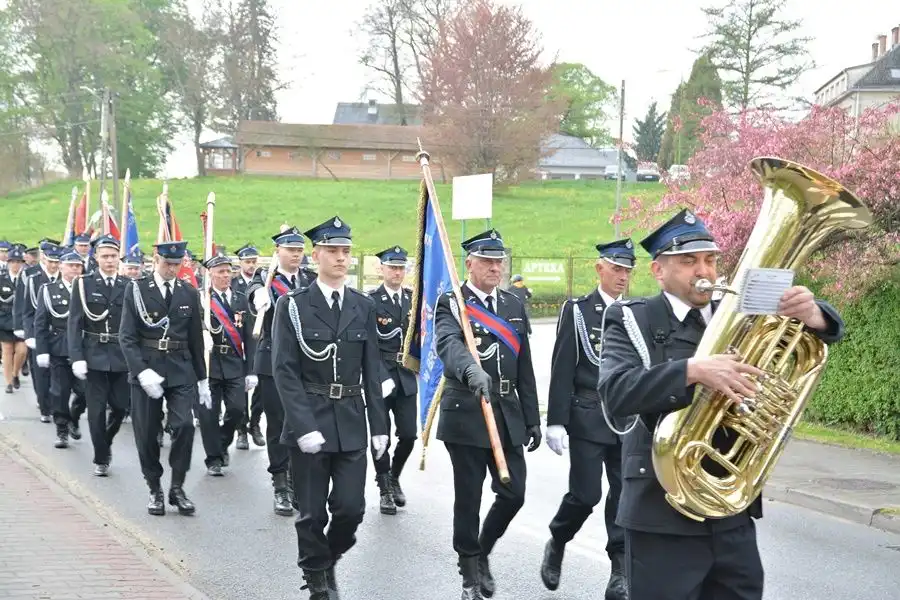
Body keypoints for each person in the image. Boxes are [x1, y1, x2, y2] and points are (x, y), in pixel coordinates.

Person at [597, 208, 846, 600]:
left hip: (730, 506)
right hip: (659, 510)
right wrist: (691, 371)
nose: (705, 271)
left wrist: (814, 315)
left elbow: (826, 335)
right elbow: (615, 393)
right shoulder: (631, 318)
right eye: (689, 261)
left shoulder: (744, 315)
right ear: (659, 271)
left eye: (711, 260)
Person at [271, 215, 388, 600]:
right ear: (315, 255)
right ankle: (317, 579)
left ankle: (326, 559)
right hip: (311, 419)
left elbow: (372, 369)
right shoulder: (292, 306)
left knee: (351, 509)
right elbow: (284, 371)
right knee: (312, 513)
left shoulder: (362, 305)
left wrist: (380, 425)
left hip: (352, 420)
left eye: (346, 252)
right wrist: (303, 426)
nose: (341, 259)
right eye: (333, 251)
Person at [434, 229, 542, 600]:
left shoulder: (513, 304)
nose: (496, 267)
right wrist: (470, 370)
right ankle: (468, 572)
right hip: (466, 413)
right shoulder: (452, 303)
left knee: (514, 494)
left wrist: (532, 418)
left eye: (500, 261)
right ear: (470, 264)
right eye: (488, 261)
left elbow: (524, 365)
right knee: (469, 498)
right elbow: (448, 344)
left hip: (507, 415)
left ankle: (481, 550)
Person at [541, 238, 636, 599]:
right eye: (616, 269)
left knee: (625, 495)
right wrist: (556, 420)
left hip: (627, 419)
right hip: (587, 415)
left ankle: (619, 572)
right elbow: (562, 366)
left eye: (627, 270)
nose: (622, 276)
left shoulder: (637, 311)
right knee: (586, 495)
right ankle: (559, 538)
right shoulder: (578, 311)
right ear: (600, 269)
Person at [119, 240, 209, 516]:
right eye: (167, 263)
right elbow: (127, 336)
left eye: (177, 263)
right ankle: (154, 487)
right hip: (147, 366)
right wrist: (141, 370)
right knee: (147, 433)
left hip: (180, 369)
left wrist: (203, 379)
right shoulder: (136, 290)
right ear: (156, 259)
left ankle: (177, 486)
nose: (172, 269)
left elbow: (195, 339)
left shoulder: (189, 292)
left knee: (184, 426)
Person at [248, 227, 317, 516]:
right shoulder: (264, 279)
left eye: (299, 250)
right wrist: (258, 298)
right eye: (290, 250)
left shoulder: (310, 279)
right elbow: (252, 292)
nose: (296, 255)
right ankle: (280, 484)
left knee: (300, 421)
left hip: (305, 363)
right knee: (277, 424)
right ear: (278, 252)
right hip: (272, 360)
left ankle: (296, 479)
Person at [68, 235, 130, 476]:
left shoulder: (129, 285)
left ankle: (106, 441)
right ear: (95, 258)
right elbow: (75, 322)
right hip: (94, 355)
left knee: (119, 407)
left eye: (113, 256)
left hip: (122, 356)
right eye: (105, 256)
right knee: (95, 410)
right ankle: (101, 457)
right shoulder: (83, 284)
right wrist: (77, 357)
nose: (110, 260)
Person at [196, 250, 256, 476]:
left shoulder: (241, 298)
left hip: (234, 363)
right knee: (208, 414)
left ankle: (222, 442)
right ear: (210, 274)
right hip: (209, 364)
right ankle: (213, 458)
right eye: (220, 272)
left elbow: (250, 336)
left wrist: (251, 370)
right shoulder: (201, 299)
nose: (225, 276)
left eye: (228, 272)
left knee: (237, 410)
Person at [368, 245, 417, 515]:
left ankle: (394, 475)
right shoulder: (371, 300)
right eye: (392, 267)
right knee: (381, 436)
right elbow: (368, 345)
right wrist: (379, 375)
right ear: (382, 270)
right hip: (381, 375)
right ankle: (384, 488)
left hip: (406, 375)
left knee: (409, 435)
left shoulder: (413, 300)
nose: (397, 272)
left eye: (401, 268)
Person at [34, 248, 86, 449]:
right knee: (60, 392)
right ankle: (62, 429)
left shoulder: (87, 288)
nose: (75, 269)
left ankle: (74, 415)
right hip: (59, 346)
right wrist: (42, 350)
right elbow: (41, 322)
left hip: (83, 348)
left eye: (78, 265)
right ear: (61, 267)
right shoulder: (49, 290)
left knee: (86, 393)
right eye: (71, 265)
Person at [20, 240, 63, 423]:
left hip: (60, 336)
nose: (53, 266)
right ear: (44, 260)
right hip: (40, 334)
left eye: (57, 262)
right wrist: (29, 335)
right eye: (50, 261)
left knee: (59, 375)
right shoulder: (33, 279)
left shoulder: (67, 278)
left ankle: (57, 407)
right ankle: (45, 407)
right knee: (41, 374)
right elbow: (26, 310)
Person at [232, 243, 265, 450]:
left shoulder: (263, 283)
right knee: (240, 388)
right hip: (239, 341)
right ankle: (241, 429)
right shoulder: (234, 285)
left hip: (261, 341)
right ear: (240, 263)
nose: (251, 265)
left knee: (262, 387)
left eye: (254, 261)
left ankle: (255, 423)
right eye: (247, 262)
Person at [1, 246, 27, 394]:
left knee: (22, 351)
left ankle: (15, 373)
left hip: (21, 320)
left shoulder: (27, 279)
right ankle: (9, 383)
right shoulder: (1, 279)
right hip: (4, 320)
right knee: (7, 351)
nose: (16, 265)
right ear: (8, 263)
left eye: (18, 262)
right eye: (13, 262)